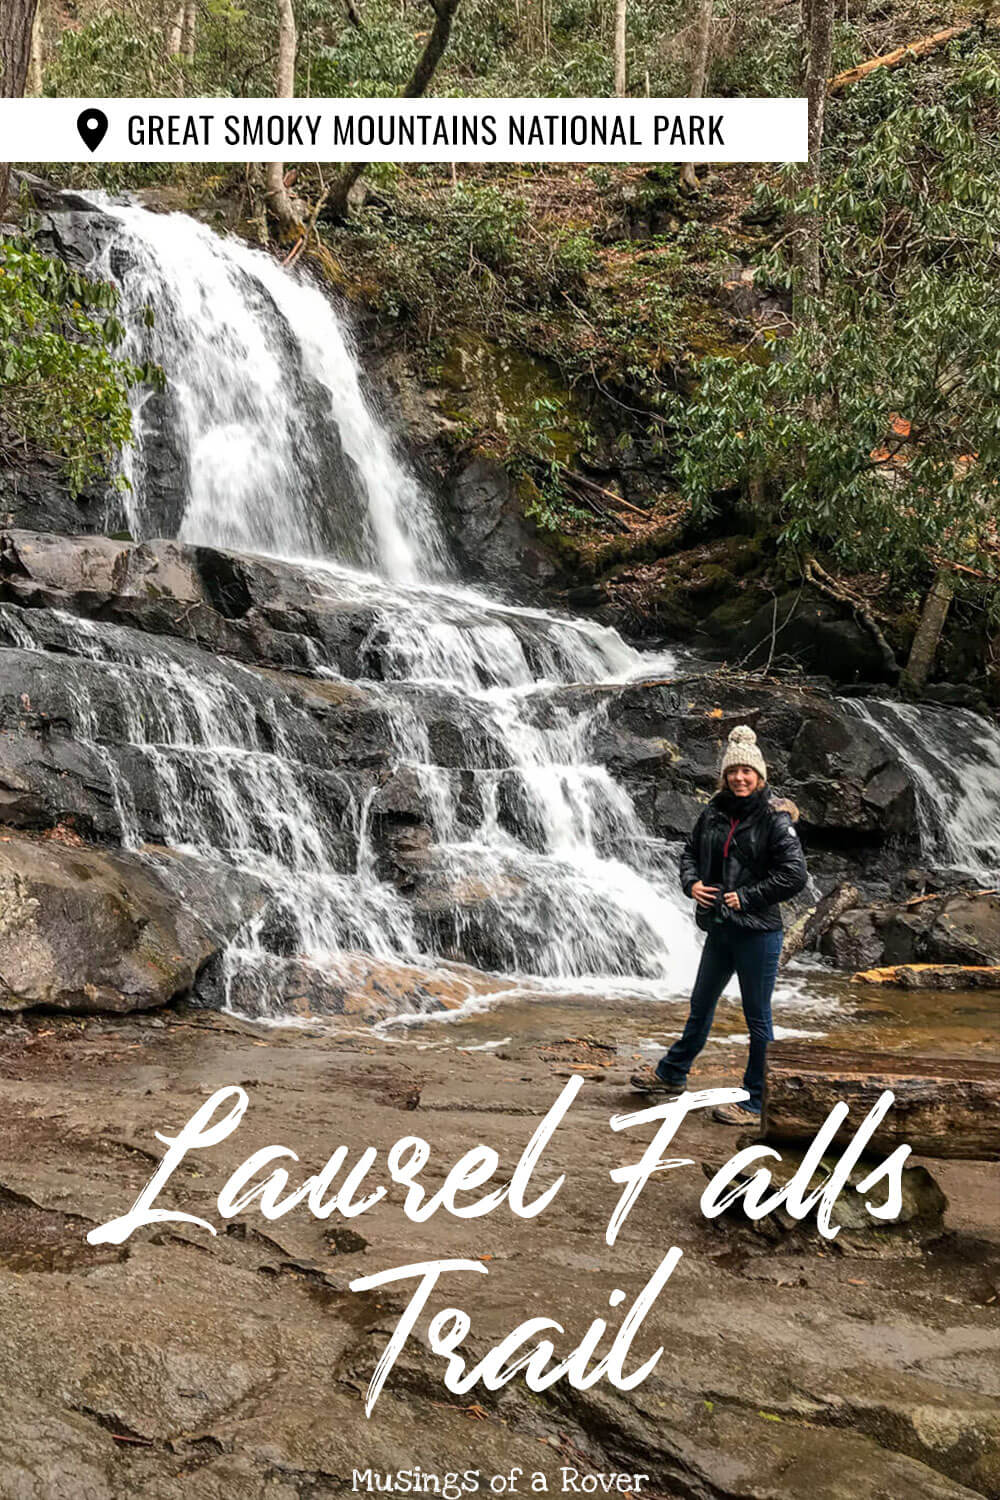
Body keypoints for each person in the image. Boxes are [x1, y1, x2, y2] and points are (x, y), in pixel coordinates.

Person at [631, 724, 808, 1124]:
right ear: (725, 776)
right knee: (701, 1005)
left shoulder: (775, 820)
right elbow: (690, 852)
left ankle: (756, 1100)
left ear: (760, 777)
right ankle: (673, 1075)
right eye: (733, 772)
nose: (740, 778)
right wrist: (691, 884)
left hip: (759, 933)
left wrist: (748, 897)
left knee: (757, 1017)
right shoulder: (713, 812)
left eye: (747, 772)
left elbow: (795, 875)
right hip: (720, 927)